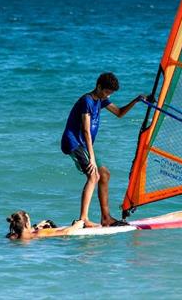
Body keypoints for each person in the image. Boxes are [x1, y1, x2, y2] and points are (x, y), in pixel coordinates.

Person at [60, 72, 145, 227]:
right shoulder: (87, 100)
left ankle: (106, 218)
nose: (108, 95)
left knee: (104, 174)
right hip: (73, 143)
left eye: (110, 93)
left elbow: (119, 113)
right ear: (99, 87)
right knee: (93, 175)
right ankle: (83, 219)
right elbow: (85, 130)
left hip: (84, 145)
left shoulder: (101, 100)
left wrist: (136, 100)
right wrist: (91, 158)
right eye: (106, 92)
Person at [5, 210, 85, 240]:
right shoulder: (38, 234)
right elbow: (65, 232)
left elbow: (22, 232)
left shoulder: (11, 236)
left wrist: (36, 226)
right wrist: (77, 225)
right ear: (26, 224)